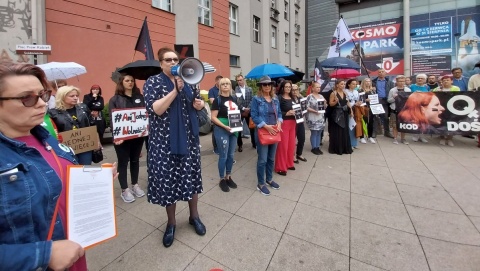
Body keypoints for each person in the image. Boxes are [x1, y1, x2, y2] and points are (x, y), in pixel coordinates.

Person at [0, 62, 88, 270]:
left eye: (43, 95)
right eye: (27, 98)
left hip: (73, 254)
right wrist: (42, 255)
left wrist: (95, 175)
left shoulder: (48, 138)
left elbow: (62, 175)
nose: (41, 104)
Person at [143, 47, 206, 248]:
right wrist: (175, 91)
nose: (172, 62)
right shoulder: (152, 82)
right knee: (169, 181)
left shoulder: (190, 79)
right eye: (168, 60)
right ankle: (171, 223)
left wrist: (199, 104)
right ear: (160, 63)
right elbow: (156, 109)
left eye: (175, 59)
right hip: (164, 143)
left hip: (188, 140)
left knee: (191, 177)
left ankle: (193, 216)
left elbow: (196, 105)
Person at [109, 74, 146, 203]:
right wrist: (117, 136)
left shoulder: (140, 97)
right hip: (122, 139)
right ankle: (125, 189)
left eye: (132, 80)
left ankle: (134, 184)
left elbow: (144, 115)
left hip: (137, 137)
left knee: (135, 160)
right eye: (127, 80)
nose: (130, 83)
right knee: (123, 162)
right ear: (122, 82)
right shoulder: (115, 99)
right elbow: (113, 120)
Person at [251, 75, 282, 196]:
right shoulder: (256, 99)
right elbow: (254, 115)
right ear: (261, 86)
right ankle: (261, 183)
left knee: (271, 158)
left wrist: (279, 122)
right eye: (265, 84)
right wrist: (266, 126)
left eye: (269, 84)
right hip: (263, 131)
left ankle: (269, 179)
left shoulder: (275, 99)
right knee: (262, 159)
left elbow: (279, 113)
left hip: (274, 131)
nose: (267, 86)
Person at [49, 85, 95, 165]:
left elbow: (91, 124)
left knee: (85, 169)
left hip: (85, 145)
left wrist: (96, 140)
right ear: (62, 96)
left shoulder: (83, 108)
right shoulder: (53, 113)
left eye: (77, 95)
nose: (75, 98)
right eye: (72, 96)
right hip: (66, 148)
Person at [211, 78, 239, 192]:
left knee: (231, 155)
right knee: (223, 156)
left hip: (234, 129)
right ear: (220, 86)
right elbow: (213, 117)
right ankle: (222, 179)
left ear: (230, 86)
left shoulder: (234, 99)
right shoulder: (217, 100)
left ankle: (228, 176)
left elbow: (237, 113)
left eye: (228, 83)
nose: (226, 85)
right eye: (223, 84)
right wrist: (224, 126)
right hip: (222, 129)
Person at [275, 80, 297, 176]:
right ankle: (280, 167)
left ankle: (289, 163)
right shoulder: (279, 98)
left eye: (289, 87)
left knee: (291, 145)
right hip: (284, 123)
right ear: (283, 87)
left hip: (293, 123)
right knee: (283, 146)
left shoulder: (293, 98)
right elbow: (276, 111)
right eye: (286, 87)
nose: (288, 88)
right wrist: (286, 113)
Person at [433, 75, 460, 146]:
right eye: (444, 80)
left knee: (451, 123)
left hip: (452, 109)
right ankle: (442, 138)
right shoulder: (437, 89)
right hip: (441, 109)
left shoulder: (456, 88)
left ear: (451, 81)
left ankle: (450, 139)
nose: (445, 81)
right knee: (441, 123)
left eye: (447, 80)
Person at [328, 80, 353, 155]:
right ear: (337, 85)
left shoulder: (345, 92)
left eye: (344, 84)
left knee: (344, 130)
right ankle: (336, 148)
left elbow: (347, 102)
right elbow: (330, 104)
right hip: (337, 114)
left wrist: (351, 110)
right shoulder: (333, 93)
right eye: (341, 84)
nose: (343, 85)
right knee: (337, 130)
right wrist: (335, 102)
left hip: (344, 113)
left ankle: (344, 147)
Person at [387, 75, 411, 144]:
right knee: (395, 125)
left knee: (404, 125)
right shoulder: (392, 90)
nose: (401, 83)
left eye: (403, 81)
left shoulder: (408, 90)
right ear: (396, 82)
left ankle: (403, 138)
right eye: (400, 81)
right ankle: (395, 138)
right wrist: (394, 98)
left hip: (404, 110)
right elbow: (389, 100)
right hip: (395, 109)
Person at [372, 68, 395, 138]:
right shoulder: (373, 82)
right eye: (379, 72)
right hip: (376, 101)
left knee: (385, 117)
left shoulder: (390, 82)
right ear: (377, 73)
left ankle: (387, 132)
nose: (381, 73)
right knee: (375, 117)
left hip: (385, 101)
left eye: (382, 72)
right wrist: (372, 89)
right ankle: (374, 132)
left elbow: (392, 91)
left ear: (385, 73)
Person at [234, 74, 255, 150]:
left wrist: (248, 108)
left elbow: (252, 99)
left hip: (249, 110)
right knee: (239, 129)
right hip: (240, 111)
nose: (240, 81)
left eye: (241, 80)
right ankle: (240, 145)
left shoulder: (249, 89)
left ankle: (254, 143)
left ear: (243, 79)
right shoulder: (235, 90)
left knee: (252, 127)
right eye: (238, 80)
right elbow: (236, 101)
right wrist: (243, 108)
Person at [345, 79, 366, 148]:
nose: (354, 85)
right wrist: (354, 104)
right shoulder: (345, 91)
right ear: (349, 84)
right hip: (349, 109)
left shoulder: (356, 92)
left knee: (356, 126)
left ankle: (354, 143)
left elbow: (358, 100)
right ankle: (349, 143)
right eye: (353, 84)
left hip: (356, 110)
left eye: (355, 84)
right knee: (350, 126)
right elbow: (346, 102)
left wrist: (359, 103)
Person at [305, 81, 326, 155]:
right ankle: (314, 147)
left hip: (320, 117)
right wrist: (314, 111)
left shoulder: (321, 96)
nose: (318, 88)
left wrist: (325, 103)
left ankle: (317, 147)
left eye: (319, 87)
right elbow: (306, 107)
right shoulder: (309, 97)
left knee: (319, 132)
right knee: (314, 132)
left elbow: (325, 107)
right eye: (317, 87)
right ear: (313, 88)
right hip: (313, 117)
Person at [292, 84, 307, 163]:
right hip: (292, 122)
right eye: (293, 90)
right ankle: (293, 156)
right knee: (292, 140)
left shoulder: (301, 98)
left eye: (296, 89)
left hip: (300, 121)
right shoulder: (289, 99)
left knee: (302, 138)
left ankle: (299, 153)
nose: (294, 91)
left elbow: (305, 108)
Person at [209, 75, 223, 154]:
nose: (222, 83)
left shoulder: (224, 89)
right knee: (215, 131)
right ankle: (216, 148)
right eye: (220, 81)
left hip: (223, 113)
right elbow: (212, 101)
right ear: (216, 81)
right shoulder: (212, 90)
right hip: (216, 114)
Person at [360, 78, 376, 143]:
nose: (368, 83)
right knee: (363, 122)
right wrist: (365, 100)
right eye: (366, 81)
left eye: (369, 81)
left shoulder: (372, 90)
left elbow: (375, 98)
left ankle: (370, 136)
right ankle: (362, 137)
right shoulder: (361, 90)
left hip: (371, 108)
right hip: (364, 108)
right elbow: (359, 99)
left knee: (371, 122)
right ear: (364, 82)